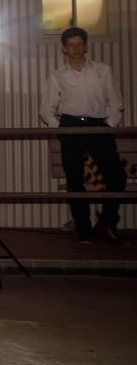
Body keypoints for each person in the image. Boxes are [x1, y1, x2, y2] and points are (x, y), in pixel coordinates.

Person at [38, 26, 126, 242]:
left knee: (116, 176)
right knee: (74, 179)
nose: (76, 48)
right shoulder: (58, 76)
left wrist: (109, 125)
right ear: (64, 49)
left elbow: (115, 102)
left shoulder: (102, 70)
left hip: (98, 126)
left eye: (79, 44)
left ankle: (106, 222)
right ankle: (83, 228)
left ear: (85, 46)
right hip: (71, 126)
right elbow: (46, 109)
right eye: (71, 45)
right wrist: (58, 127)